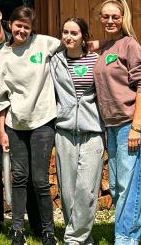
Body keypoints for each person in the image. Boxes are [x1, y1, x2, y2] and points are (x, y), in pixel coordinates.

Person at [0, 6, 64, 245]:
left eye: (27, 27)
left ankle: (48, 231)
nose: (22, 30)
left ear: (32, 29)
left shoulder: (44, 43)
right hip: (15, 123)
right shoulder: (4, 55)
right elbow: (0, 97)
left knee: (41, 179)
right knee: (19, 177)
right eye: (18, 25)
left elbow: (71, 46)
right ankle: (18, 230)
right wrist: (2, 130)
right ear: (10, 25)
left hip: (43, 120)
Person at [93, 0, 141, 245]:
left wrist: (136, 127)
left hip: (131, 124)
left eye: (115, 16)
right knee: (123, 186)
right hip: (111, 125)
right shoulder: (105, 48)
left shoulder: (131, 45)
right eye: (106, 16)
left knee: (127, 185)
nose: (110, 20)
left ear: (123, 18)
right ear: (100, 19)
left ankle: (126, 239)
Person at [0, 0, 41, 237]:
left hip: (22, 113)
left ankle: (36, 223)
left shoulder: (21, 40)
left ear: (1, 16)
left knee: (27, 171)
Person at [51, 17, 103, 245]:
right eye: (65, 32)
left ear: (84, 37)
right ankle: (83, 236)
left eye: (74, 33)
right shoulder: (55, 61)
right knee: (68, 190)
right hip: (64, 131)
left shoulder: (97, 61)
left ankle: (73, 239)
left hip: (92, 131)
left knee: (87, 188)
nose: (68, 37)